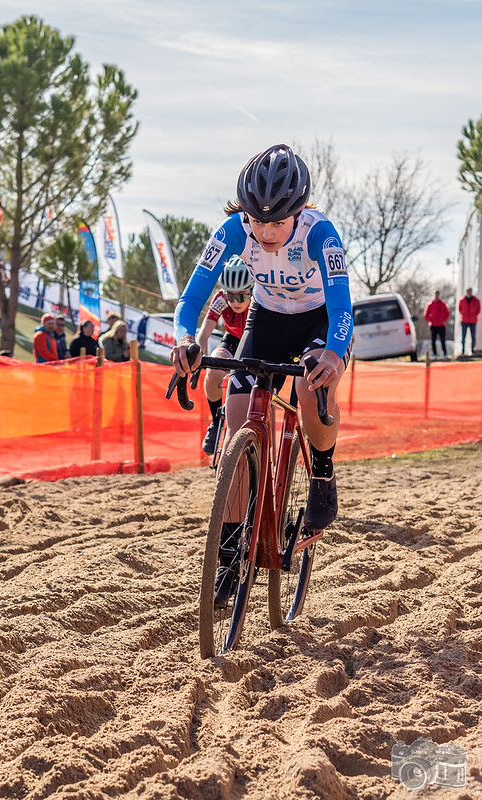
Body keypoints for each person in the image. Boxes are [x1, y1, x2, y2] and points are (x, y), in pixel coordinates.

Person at [170, 143, 353, 606]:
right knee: (236, 416)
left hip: (320, 322)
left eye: (277, 222)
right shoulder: (232, 229)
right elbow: (191, 300)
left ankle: (323, 476)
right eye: (257, 221)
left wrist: (332, 354)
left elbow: (342, 306)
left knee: (313, 394)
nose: (266, 231)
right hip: (267, 320)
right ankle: (231, 553)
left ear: (298, 211)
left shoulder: (321, 234)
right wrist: (184, 339)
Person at [196, 256, 254, 455]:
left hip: (255, 340)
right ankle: (215, 422)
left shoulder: (260, 299)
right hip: (232, 339)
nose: (234, 302)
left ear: (252, 291)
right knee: (212, 374)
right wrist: (198, 352)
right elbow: (204, 332)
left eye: (241, 296)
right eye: (231, 296)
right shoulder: (220, 299)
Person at [424, 290, 450, 361]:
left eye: (438, 295)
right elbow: (426, 315)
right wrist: (431, 319)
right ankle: (434, 355)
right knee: (433, 341)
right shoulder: (430, 304)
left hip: (441, 325)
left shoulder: (442, 304)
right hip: (433, 325)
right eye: (436, 295)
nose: (437, 296)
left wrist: (443, 319)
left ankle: (445, 354)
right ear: (434, 295)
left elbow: (447, 313)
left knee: (442, 340)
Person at [458, 287, 480, 356]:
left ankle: (472, 350)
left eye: (470, 292)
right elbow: (460, 309)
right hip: (464, 320)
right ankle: (463, 351)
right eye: (468, 292)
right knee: (463, 336)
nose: (469, 293)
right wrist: (464, 315)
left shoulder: (476, 300)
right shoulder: (462, 300)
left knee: (473, 336)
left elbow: (478, 309)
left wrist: (473, 315)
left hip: (472, 321)